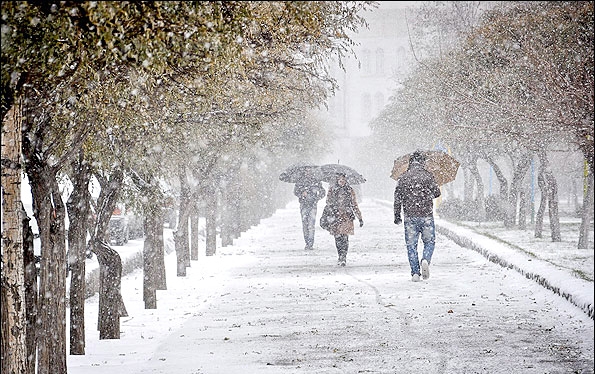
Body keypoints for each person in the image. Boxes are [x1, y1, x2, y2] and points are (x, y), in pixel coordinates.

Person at [393, 151, 441, 282]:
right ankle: (425, 259)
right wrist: (427, 192)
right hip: (426, 215)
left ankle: (415, 273)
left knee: (411, 245)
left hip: (409, 216)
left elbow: (397, 198)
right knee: (429, 242)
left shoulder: (403, 177)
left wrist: (397, 215)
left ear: (410, 162)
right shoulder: (428, 175)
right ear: (422, 162)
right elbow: (437, 193)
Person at [321, 173, 363, 266]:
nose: (342, 182)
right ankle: (340, 255)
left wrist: (360, 217)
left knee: (345, 237)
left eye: (343, 180)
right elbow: (328, 202)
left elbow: (354, 204)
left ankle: (343, 257)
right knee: (337, 237)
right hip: (335, 216)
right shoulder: (332, 190)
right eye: (340, 180)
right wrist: (333, 205)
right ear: (337, 180)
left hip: (347, 216)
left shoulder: (349, 190)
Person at [294, 169, 326, 250]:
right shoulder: (300, 181)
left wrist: (316, 198)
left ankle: (310, 243)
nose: (308, 172)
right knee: (305, 224)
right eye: (306, 170)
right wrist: (301, 194)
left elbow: (322, 192)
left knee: (311, 225)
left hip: (313, 205)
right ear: (304, 171)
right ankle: (307, 242)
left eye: (309, 170)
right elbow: (295, 192)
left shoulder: (316, 181)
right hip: (303, 205)